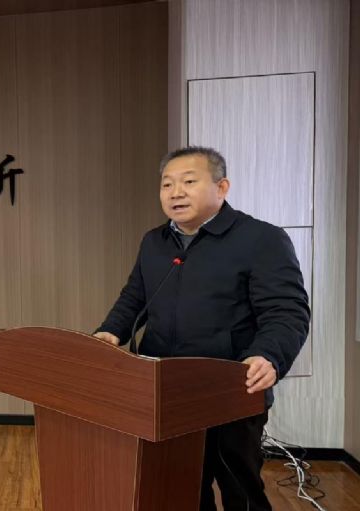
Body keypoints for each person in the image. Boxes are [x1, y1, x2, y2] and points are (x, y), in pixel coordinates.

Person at [94, 146, 310, 511]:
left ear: (222, 187)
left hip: (230, 390)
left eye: (189, 182)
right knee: (181, 488)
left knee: (240, 490)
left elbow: (287, 310)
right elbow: (134, 297)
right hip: (164, 389)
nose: (175, 192)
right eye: (167, 184)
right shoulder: (154, 242)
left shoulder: (261, 239)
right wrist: (109, 332)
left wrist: (268, 355)